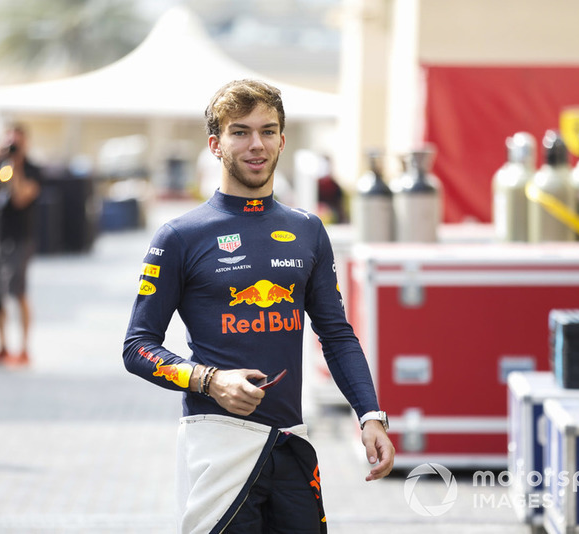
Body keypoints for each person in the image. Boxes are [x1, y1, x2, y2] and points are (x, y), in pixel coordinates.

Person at [123, 79, 394, 533]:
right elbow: (137, 347)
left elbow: (337, 334)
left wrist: (370, 415)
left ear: (283, 141)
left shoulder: (308, 230)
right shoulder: (179, 236)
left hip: (291, 444)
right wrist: (209, 380)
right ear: (215, 144)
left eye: (268, 131)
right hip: (218, 446)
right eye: (240, 132)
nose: (256, 145)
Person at [0, 123, 42, 368]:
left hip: (20, 239)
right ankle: (2, 346)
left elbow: (21, 197)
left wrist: (16, 168)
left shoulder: (33, 169)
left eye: (16, 143)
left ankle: (24, 349)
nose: (12, 148)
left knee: (18, 292)